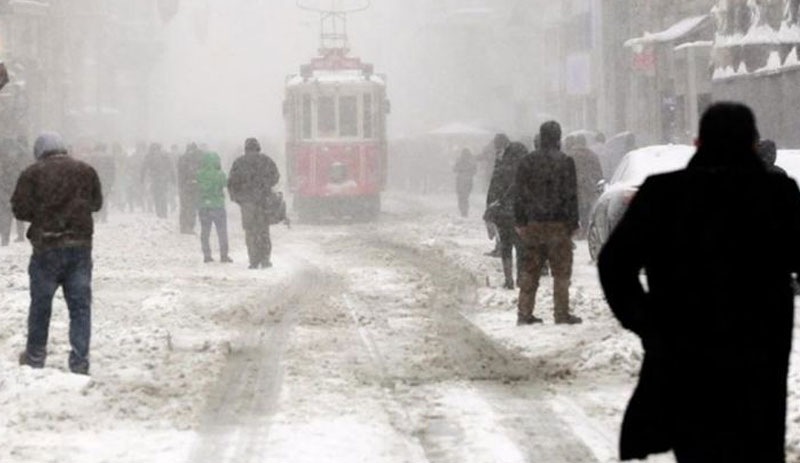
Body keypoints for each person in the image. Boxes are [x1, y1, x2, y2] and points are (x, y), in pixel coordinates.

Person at [598, 102, 800, 462]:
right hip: (759, 350)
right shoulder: (776, 194)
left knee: (697, 443)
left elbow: (615, 262)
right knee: (757, 444)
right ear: (752, 144)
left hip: (685, 346)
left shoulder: (664, 194)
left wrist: (645, 320)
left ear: (698, 142)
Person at [12, 132, 103, 375]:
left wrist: (43, 213)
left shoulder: (31, 174)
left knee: (41, 306)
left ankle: (35, 358)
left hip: (46, 248)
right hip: (79, 248)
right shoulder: (86, 170)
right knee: (80, 307)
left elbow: (19, 210)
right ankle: (80, 361)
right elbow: (96, 204)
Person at [513, 121, 581, 325]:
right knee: (561, 272)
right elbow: (571, 195)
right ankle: (561, 313)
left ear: (540, 137)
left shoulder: (526, 162)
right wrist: (573, 222)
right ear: (558, 137)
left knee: (530, 270)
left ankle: (524, 313)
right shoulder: (566, 161)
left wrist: (520, 220)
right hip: (558, 225)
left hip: (533, 224)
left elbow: (519, 194)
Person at [228, 138, 280, 269]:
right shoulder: (266, 160)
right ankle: (265, 259)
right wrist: (266, 186)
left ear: (245, 148)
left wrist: (237, 197)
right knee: (263, 230)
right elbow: (276, 176)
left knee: (250, 232)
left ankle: (253, 260)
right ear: (258, 147)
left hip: (247, 202)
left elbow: (231, 183)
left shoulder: (239, 162)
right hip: (263, 201)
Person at [485, 134, 527, 289]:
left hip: (504, 210)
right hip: (519, 211)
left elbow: (493, 187)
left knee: (506, 244)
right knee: (520, 245)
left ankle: (509, 279)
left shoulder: (502, 166)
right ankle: (520, 278)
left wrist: (490, 206)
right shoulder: (524, 168)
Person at [566, 134, 604, 238]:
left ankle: (579, 228)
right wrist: (597, 180)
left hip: (574, 186)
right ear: (585, 142)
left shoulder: (570, 155)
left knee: (578, 207)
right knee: (587, 207)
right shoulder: (592, 155)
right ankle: (585, 227)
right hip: (589, 185)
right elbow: (598, 171)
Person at [197, 151, 231, 263]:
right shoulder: (220, 174)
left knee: (205, 232)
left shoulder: (199, 174)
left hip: (203, 206)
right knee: (222, 232)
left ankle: (207, 255)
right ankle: (224, 255)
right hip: (218, 205)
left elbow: (196, 187)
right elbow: (226, 184)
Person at [141, 143, 175, 219]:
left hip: (155, 178)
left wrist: (142, 178)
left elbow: (144, 168)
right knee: (163, 195)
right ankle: (164, 212)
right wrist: (173, 178)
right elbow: (171, 167)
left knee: (157, 195)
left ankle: (159, 212)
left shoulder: (149, 156)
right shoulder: (165, 155)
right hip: (164, 178)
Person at [178, 143, 203, 234]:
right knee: (191, 207)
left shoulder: (183, 158)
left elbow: (180, 173)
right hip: (193, 186)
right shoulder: (198, 158)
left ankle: (184, 226)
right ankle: (188, 226)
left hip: (186, 186)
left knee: (186, 207)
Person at [453, 148, 477, 217]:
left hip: (461, 181)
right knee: (465, 197)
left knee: (461, 197)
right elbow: (474, 171)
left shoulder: (459, 161)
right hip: (468, 181)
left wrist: (461, 170)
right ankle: (464, 211)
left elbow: (454, 169)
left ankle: (463, 211)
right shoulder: (471, 162)